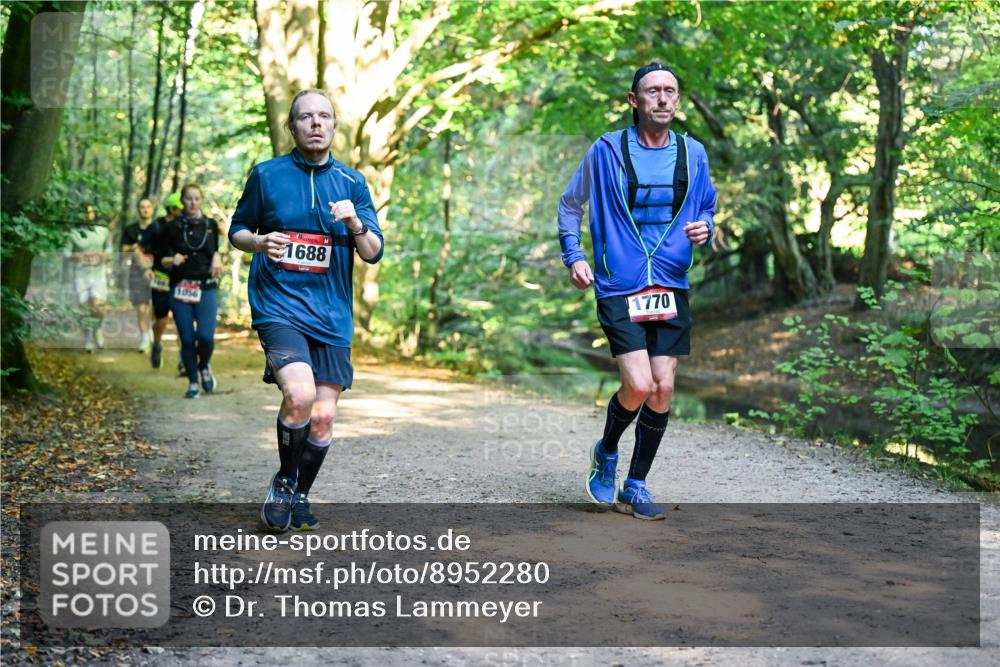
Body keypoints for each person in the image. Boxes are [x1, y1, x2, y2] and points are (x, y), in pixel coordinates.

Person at [557, 62, 716, 520]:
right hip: (619, 283)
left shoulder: (694, 153)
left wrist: (705, 227)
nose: (662, 99)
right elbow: (570, 205)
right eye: (652, 92)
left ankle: (636, 485)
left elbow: (706, 205)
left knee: (663, 389)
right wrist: (576, 256)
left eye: (670, 91)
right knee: (640, 383)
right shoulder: (606, 151)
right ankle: (606, 450)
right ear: (634, 101)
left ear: (678, 101)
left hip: (670, 281)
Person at [229, 89, 384, 533]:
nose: (315, 124)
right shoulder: (267, 175)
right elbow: (237, 229)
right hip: (278, 304)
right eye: (305, 117)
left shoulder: (352, 183)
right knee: (299, 396)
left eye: (324, 117)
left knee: (323, 415)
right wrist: (259, 242)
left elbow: (373, 252)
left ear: (334, 126)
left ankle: (300, 491)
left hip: (332, 311)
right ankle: (282, 482)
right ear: (292, 127)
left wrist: (355, 224)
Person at [160, 184, 223, 398]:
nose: (193, 203)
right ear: (182, 201)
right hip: (180, 288)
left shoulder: (211, 225)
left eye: (197, 198)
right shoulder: (171, 227)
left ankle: (204, 365)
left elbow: (215, 251)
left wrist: (217, 257)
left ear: (201, 200)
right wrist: (172, 259)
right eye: (188, 199)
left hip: (205, 287)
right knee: (187, 339)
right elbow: (161, 260)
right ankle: (193, 382)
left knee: (205, 336)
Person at [141, 193, 183, 370]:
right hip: (160, 277)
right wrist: (145, 268)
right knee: (162, 321)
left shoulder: (187, 225)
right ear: (172, 209)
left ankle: (184, 357)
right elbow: (140, 249)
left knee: (184, 321)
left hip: (182, 278)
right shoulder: (156, 226)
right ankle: (157, 343)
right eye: (181, 208)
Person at [65, 205, 112, 353]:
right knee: (85, 307)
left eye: (89, 212)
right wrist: (75, 256)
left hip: (98, 274)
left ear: (94, 214)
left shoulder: (103, 231)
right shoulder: (74, 234)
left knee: (98, 306)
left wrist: (106, 254)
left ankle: (97, 328)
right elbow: (66, 253)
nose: (86, 215)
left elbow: (109, 248)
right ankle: (88, 338)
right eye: (83, 212)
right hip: (81, 275)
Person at [120, 198, 157, 352]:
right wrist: (133, 248)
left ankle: (151, 329)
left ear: (152, 209)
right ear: (138, 209)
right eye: (142, 207)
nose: (145, 210)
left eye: (148, 207)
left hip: (157, 271)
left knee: (155, 307)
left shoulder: (159, 228)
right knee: (141, 308)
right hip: (136, 272)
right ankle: (144, 337)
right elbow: (122, 250)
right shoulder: (130, 230)